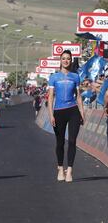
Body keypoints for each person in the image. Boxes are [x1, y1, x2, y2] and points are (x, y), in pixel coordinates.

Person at [48, 50, 85, 183]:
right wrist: (51, 114)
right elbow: (51, 97)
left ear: (70, 60)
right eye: (63, 58)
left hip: (73, 110)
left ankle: (69, 170)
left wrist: (82, 113)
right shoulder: (54, 77)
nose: (66, 61)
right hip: (58, 111)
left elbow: (79, 97)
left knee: (73, 141)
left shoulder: (75, 77)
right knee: (60, 142)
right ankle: (60, 168)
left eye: (68, 59)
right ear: (60, 60)